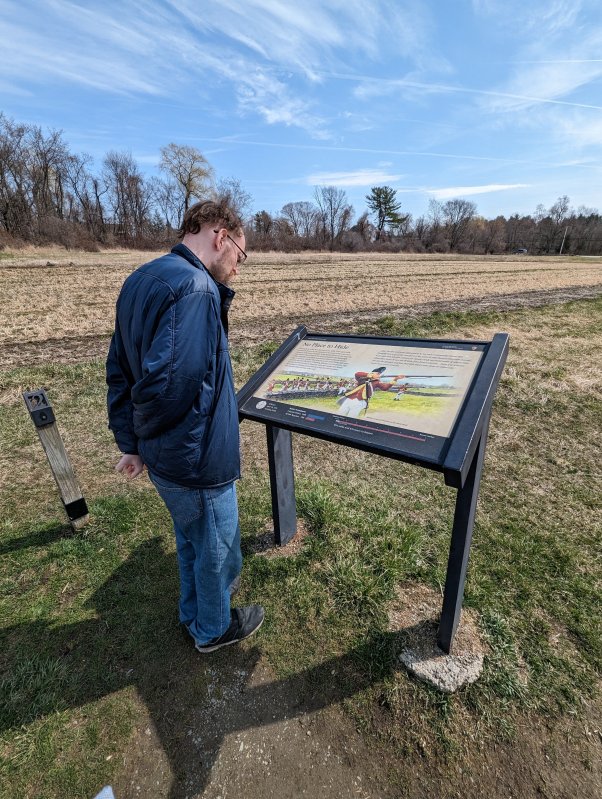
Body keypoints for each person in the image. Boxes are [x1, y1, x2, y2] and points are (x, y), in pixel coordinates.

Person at [106, 199, 264, 654]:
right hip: (195, 460)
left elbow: (119, 369)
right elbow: (168, 387)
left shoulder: (142, 277)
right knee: (218, 550)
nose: (237, 268)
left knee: (193, 541)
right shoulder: (196, 289)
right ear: (220, 236)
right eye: (240, 254)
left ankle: (192, 612)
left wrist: (133, 442)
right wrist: (145, 433)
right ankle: (212, 629)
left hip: (166, 459)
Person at [337, 367, 406, 418]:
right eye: (377, 373)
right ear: (372, 373)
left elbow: (385, 388)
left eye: (379, 374)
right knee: (339, 414)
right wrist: (370, 375)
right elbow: (357, 374)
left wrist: (395, 379)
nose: (378, 375)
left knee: (351, 417)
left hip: (360, 401)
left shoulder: (376, 382)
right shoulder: (362, 378)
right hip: (349, 399)